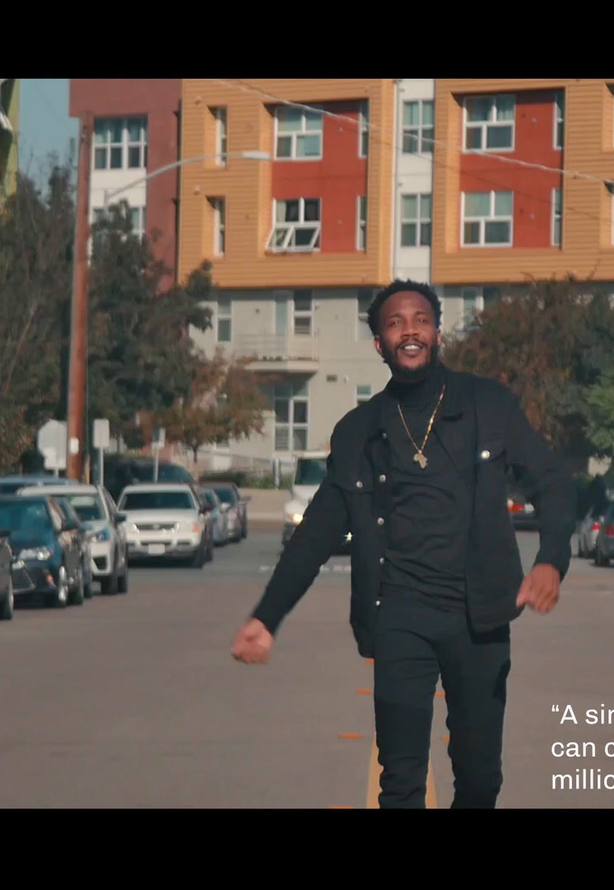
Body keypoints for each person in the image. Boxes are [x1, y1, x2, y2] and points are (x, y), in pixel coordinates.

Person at [231, 279, 575, 808]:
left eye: (420, 320)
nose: (409, 330)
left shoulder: (489, 405)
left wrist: (551, 560)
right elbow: (317, 533)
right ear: (379, 344)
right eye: (395, 323)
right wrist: (267, 616)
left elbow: (551, 481)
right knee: (401, 780)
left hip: (479, 615)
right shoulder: (358, 432)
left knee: (480, 779)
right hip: (398, 616)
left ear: (437, 333)